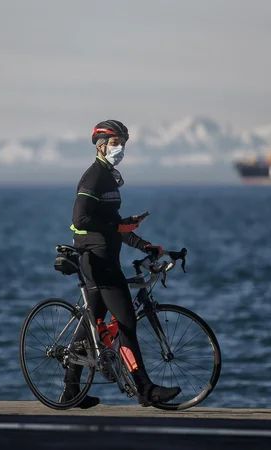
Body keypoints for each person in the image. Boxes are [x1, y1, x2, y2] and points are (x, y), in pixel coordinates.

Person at [60, 119, 181, 408]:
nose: (121, 148)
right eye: (116, 143)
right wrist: (117, 229)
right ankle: (145, 389)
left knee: (94, 324)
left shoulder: (110, 179)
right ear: (101, 147)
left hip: (103, 257)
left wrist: (148, 245)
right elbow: (81, 220)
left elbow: (114, 225)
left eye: (123, 143)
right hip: (97, 261)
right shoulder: (93, 178)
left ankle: (70, 390)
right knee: (126, 322)